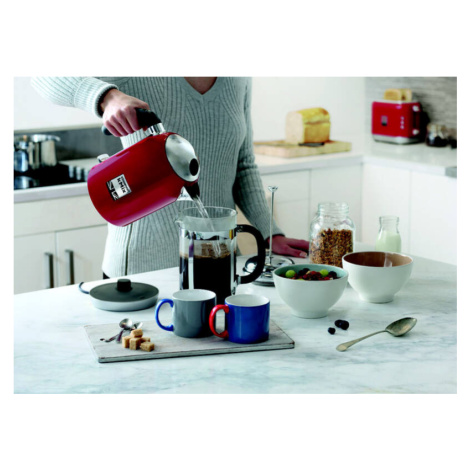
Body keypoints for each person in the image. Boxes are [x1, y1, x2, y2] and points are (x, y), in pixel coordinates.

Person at [31, 77, 309, 277]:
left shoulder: (238, 78)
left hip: (217, 265)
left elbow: (243, 165)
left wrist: (270, 234)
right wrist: (107, 97)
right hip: (142, 272)